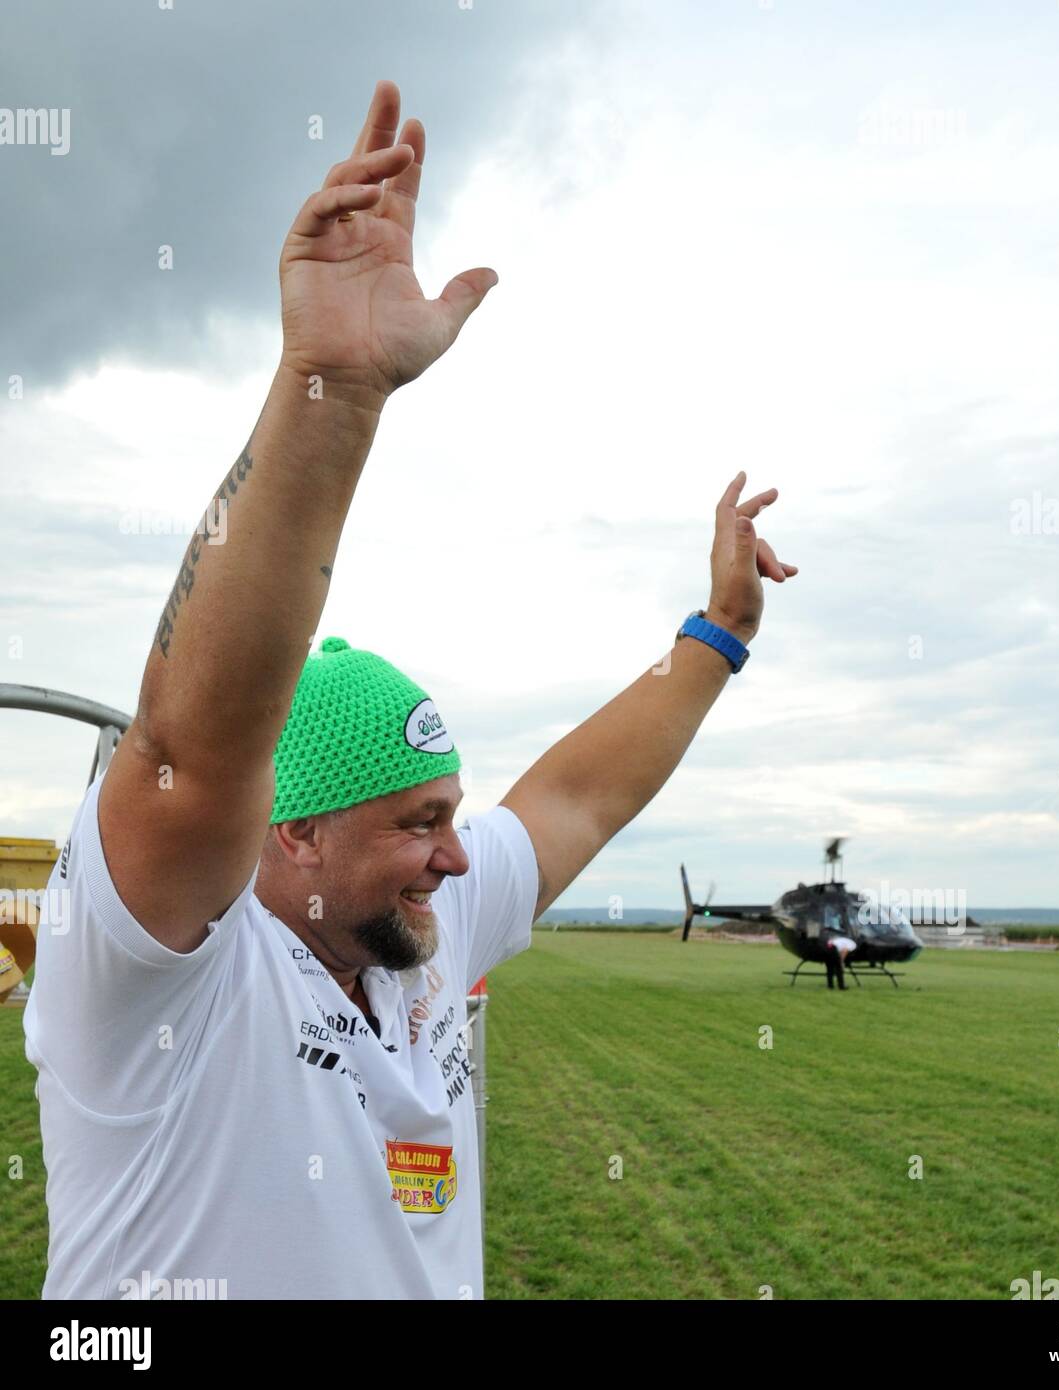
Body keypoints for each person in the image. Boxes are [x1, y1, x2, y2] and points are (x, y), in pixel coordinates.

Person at [23, 80, 798, 1301]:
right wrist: (333, 385)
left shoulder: (408, 941)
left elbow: (576, 803)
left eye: (451, 814)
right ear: (296, 829)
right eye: (419, 822)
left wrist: (717, 634)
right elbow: (196, 741)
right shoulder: (159, 971)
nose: (456, 855)